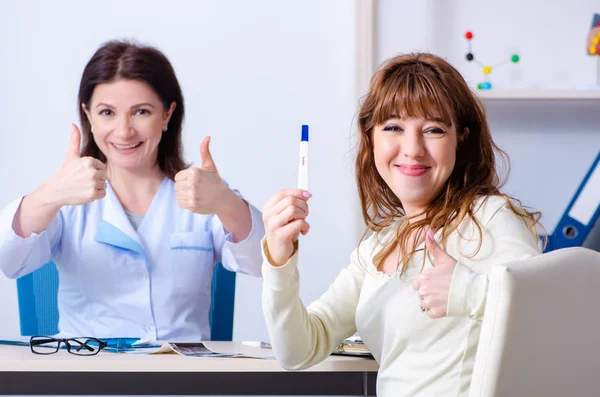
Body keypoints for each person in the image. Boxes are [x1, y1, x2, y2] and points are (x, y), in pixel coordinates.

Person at [261, 53, 543, 396]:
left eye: (433, 129)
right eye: (393, 127)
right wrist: (279, 259)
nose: (412, 149)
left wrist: (467, 292)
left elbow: (548, 317)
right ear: (372, 138)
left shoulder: (488, 217)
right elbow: (298, 350)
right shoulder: (378, 246)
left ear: (461, 139)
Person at [0, 40, 264, 341]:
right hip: (88, 375)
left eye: (141, 112)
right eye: (107, 112)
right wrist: (51, 194)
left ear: (167, 114)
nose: (124, 131)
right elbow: (8, 260)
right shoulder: (67, 201)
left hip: (181, 378)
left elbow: (263, 263)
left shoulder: (202, 194)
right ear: (88, 116)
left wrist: (226, 202)